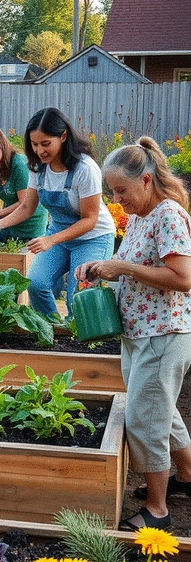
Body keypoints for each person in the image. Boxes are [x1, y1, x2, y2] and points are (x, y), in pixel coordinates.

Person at [76, 138, 191, 532]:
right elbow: (135, 261)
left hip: (163, 334)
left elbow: (183, 279)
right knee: (162, 408)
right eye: (111, 191)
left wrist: (122, 269)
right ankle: (188, 477)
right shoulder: (142, 214)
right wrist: (100, 265)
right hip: (141, 332)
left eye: (121, 190)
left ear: (145, 180)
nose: (115, 198)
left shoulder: (168, 215)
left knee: (146, 418)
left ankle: (158, 509)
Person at [0, 107, 115, 318]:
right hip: (59, 234)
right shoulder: (38, 167)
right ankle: (52, 332)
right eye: (34, 144)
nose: (40, 151)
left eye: (45, 144)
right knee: (36, 284)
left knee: (77, 298)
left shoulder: (84, 168)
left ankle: (79, 341)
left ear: (63, 136)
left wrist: (50, 240)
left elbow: (90, 219)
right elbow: (26, 207)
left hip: (93, 238)